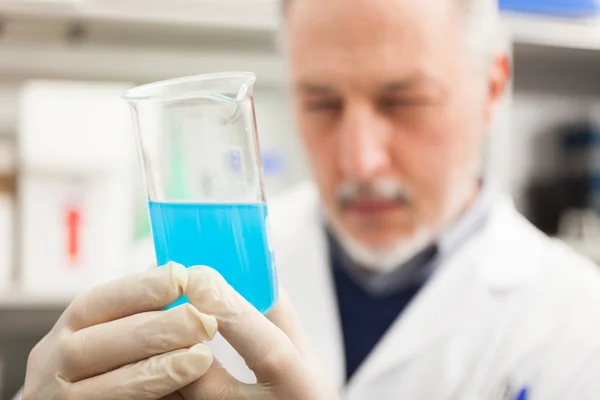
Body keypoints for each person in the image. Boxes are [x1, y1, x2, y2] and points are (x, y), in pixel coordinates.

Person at [21, 0, 600, 398]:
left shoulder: (579, 325)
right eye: (322, 103)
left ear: (492, 88)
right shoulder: (173, 267)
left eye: (404, 101)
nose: (358, 160)